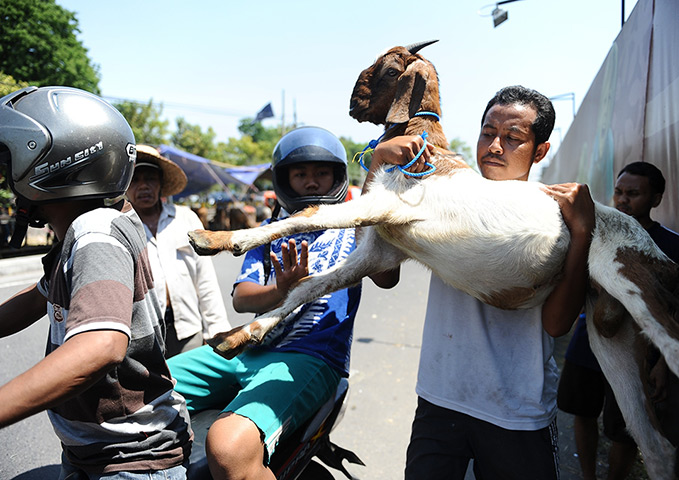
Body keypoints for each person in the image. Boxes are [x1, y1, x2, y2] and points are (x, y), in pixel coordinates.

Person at [367, 85, 596, 479]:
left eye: (513, 139)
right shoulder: (445, 197)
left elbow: (556, 325)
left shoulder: (552, 219)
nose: (494, 146)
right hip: (440, 400)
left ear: (540, 151)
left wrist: (583, 233)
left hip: (517, 413)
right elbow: (384, 276)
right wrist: (376, 165)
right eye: (488, 133)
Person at [168, 126, 396, 480]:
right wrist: (283, 288)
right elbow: (243, 299)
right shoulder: (271, 230)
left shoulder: (354, 227)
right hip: (246, 349)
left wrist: (380, 180)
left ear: (337, 177)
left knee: (228, 447)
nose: (311, 182)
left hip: (312, 357)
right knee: (137, 386)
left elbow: (387, 277)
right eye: (300, 174)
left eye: (321, 173)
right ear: (284, 180)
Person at [0, 86, 192, 478]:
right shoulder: (88, 228)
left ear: (48, 161)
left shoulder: (95, 232)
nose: (6, 177)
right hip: (93, 451)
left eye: (9, 162)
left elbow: (101, 345)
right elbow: (37, 298)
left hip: (129, 460)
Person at [557, 161, 679, 480]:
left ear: (656, 199)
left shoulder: (670, 247)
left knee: (624, 428)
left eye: (634, 194)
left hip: (637, 356)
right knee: (581, 413)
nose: (623, 200)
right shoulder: (593, 232)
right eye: (619, 192)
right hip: (586, 344)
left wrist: (661, 366)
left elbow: (674, 314)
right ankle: (588, 476)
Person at [126, 145, 231, 358]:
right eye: (135, 180)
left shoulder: (185, 218)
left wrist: (217, 331)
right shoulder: (120, 226)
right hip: (139, 335)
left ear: (161, 184)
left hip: (187, 330)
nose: (143, 186)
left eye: (150, 179)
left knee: (189, 388)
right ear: (125, 186)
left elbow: (205, 279)